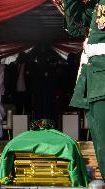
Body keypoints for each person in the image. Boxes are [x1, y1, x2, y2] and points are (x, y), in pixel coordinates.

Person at [62, 0, 105, 180]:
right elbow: (75, 28)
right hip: (93, 79)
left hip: (102, 77)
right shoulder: (94, 6)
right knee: (100, 140)